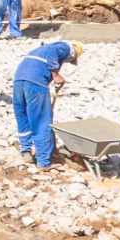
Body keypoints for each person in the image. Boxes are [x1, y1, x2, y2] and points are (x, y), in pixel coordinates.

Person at [11, 40, 83, 168]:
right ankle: (43, 161)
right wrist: (56, 75)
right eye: (69, 60)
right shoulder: (65, 47)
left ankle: (26, 151)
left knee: (24, 118)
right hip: (35, 84)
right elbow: (53, 51)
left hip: (19, 82)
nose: (66, 62)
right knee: (41, 121)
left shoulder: (38, 51)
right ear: (73, 54)